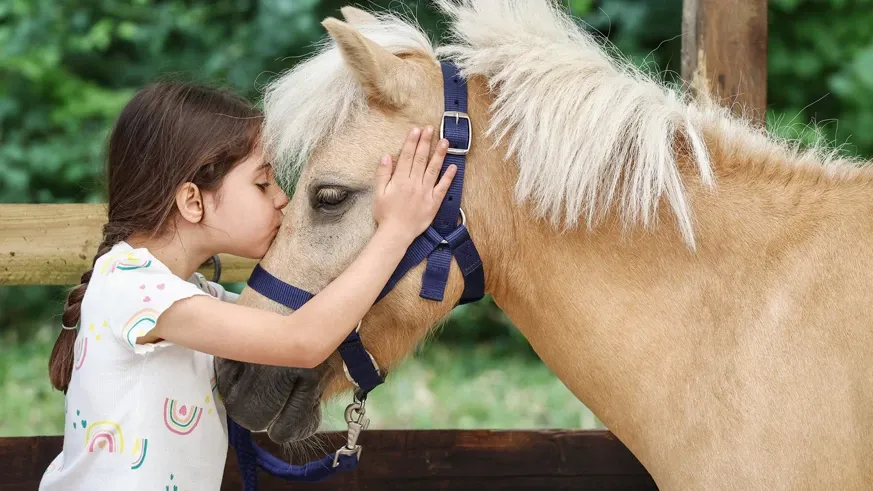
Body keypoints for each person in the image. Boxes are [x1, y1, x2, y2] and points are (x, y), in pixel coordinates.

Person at [38, 81, 456, 490]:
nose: (282, 199)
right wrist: (396, 232)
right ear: (193, 201)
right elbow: (302, 339)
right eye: (262, 183)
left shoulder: (189, 293)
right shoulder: (133, 289)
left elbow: (308, 313)